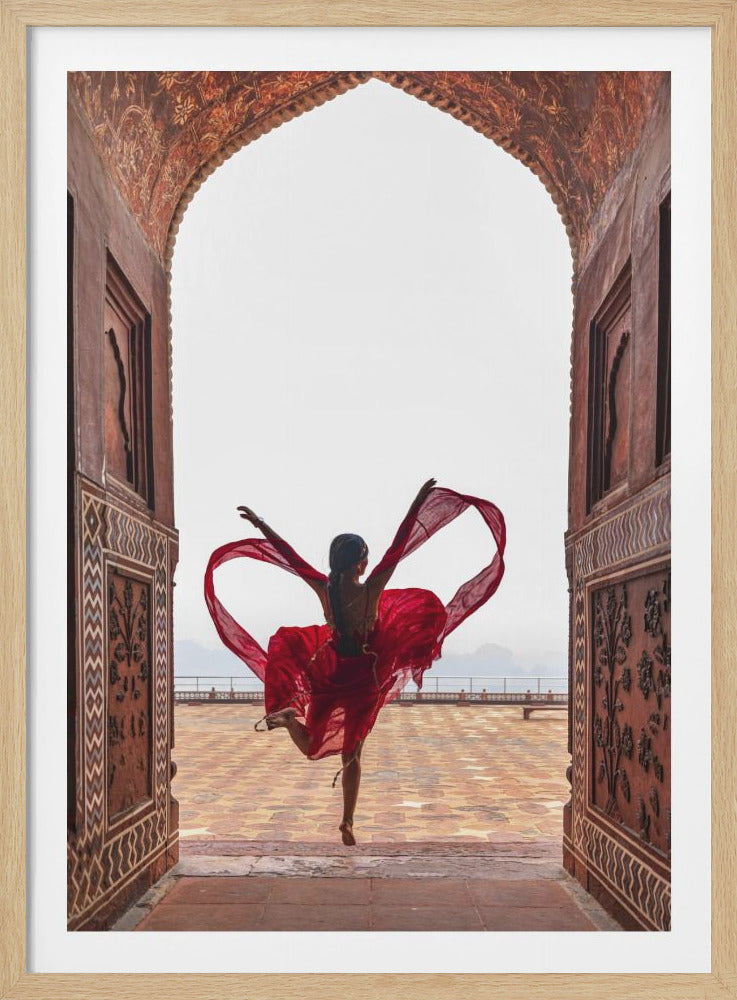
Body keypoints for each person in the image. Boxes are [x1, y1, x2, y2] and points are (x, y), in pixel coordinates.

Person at [204, 480, 506, 846]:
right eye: (365, 556)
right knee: (351, 753)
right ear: (360, 562)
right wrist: (418, 501)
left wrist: (260, 524)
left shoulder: (326, 588)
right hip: (362, 678)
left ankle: (300, 742)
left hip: (330, 672)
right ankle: (346, 820)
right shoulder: (370, 589)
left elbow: (289, 556)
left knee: (314, 746)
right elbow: (399, 547)